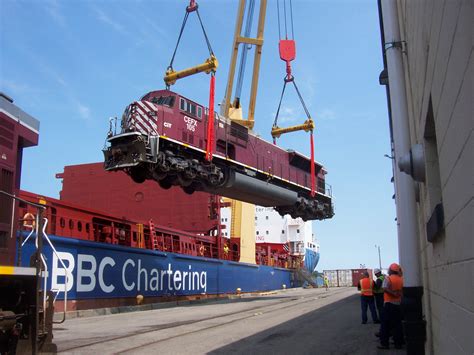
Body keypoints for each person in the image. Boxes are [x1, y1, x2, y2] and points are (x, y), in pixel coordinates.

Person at [378, 263, 404, 350]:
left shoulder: (388, 278)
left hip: (389, 304)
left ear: (391, 270)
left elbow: (384, 288)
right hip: (398, 304)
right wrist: (398, 295)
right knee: (397, 324)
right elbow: (402, 291)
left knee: (385, 325)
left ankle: (385, 344)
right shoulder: (401, 279)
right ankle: (398, 344)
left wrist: (393, 294)